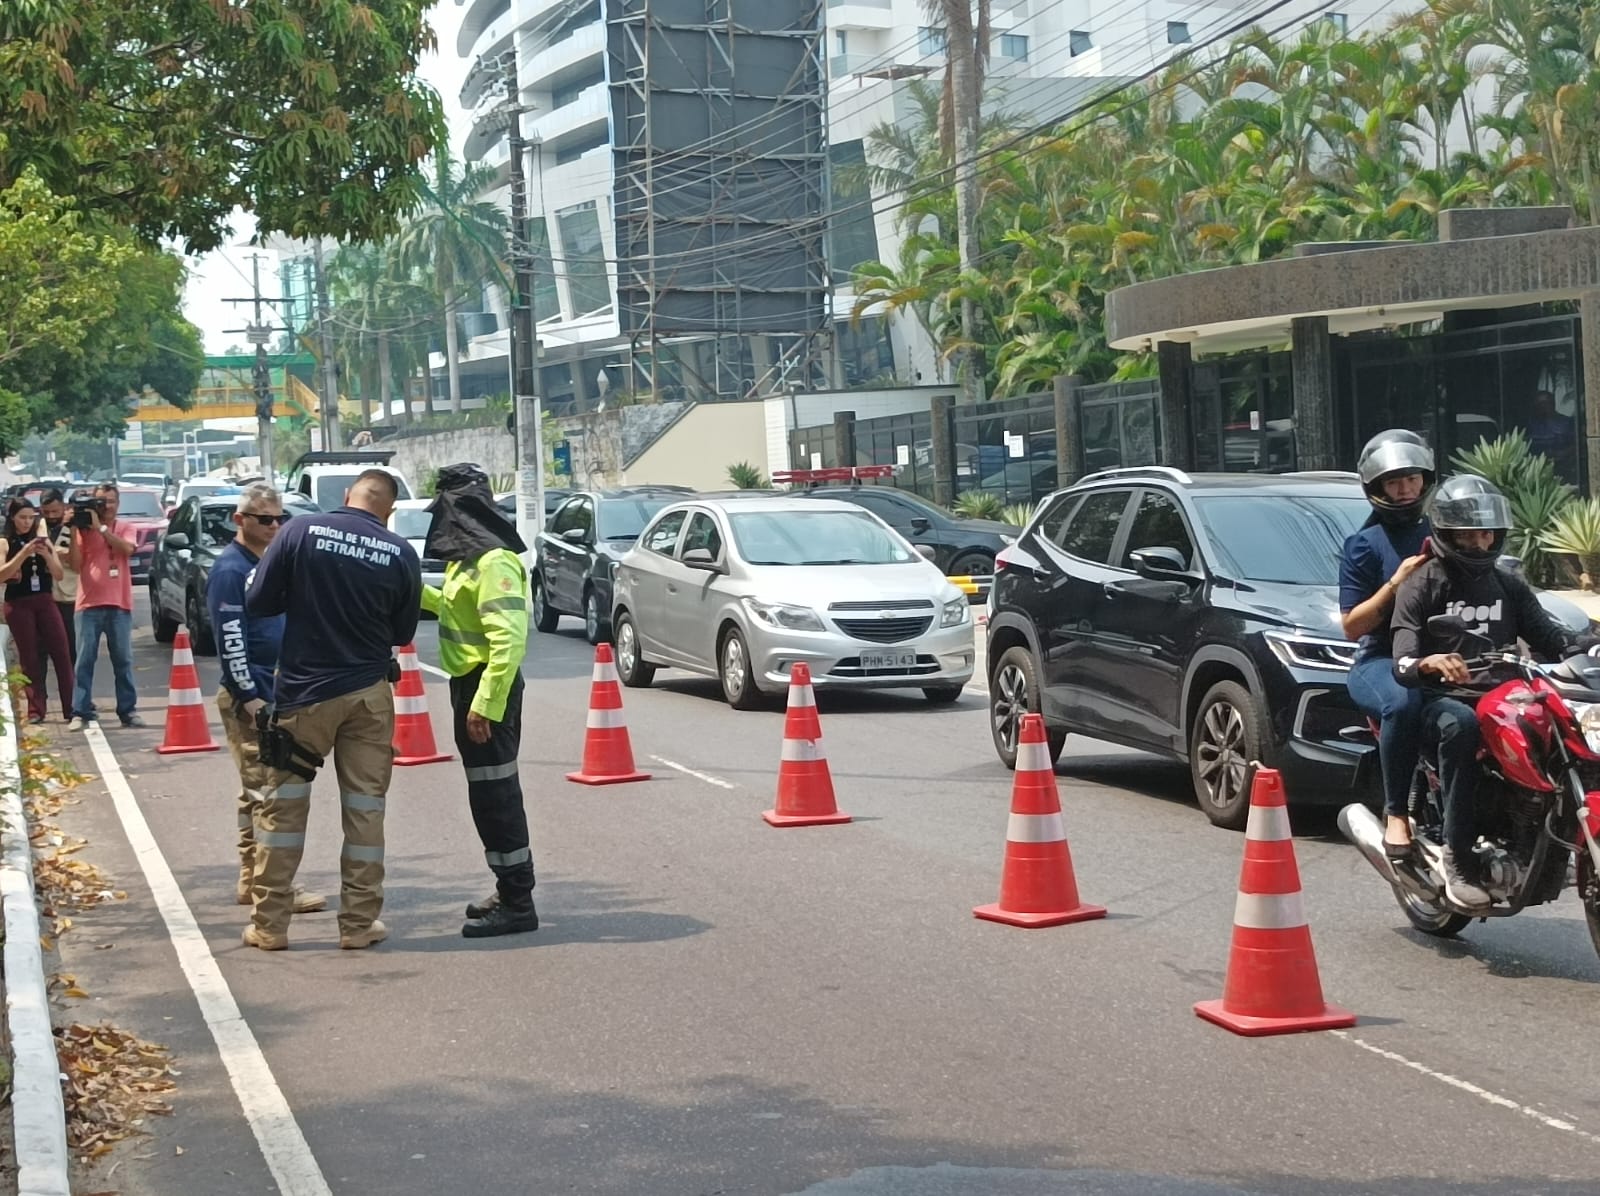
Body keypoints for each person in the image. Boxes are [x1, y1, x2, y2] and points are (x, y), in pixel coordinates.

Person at [243, 470, 420, 951]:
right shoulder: (400, 553)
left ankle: (270, 926)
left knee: (284, 808)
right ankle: (358, 926)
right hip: (368, 694)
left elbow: (257, 600)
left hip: (304, 694)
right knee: (365, 809)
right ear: (389, 510)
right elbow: (402, 634)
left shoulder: (301, 531)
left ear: (346, 497)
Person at [1390, 474, 1583, 909]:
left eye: (1489, 531)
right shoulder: (1423, 584)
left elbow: (1552, 637)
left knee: (1560, 721)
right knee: (1461, 726)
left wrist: (1585, 645)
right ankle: (1458, 857)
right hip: (1445, 700)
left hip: (1505, 694)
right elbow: (1401, 660)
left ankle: (1543, 827)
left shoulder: (1507, 583)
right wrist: (1428, 662)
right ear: (1448, 533)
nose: (1483, 539)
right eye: (1472, 532)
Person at [421, 464, 539, 939]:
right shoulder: (466, 562)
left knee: (497, 797)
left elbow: (508, 641)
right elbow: (452, 609)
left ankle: (518, 901)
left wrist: (485, 705)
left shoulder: (494, 562)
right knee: (486, 796)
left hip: (486, 690)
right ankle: (508, 887)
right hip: (468, 686)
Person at [206, 483, 325, 916]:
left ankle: (251, 878)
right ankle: (273, 889)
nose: (275, 526)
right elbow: (230, 640)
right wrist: (251, 698)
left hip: (279, 692)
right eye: (265, 519)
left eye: (280, 519)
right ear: (241, 520)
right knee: (269, 794)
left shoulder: (272, 564)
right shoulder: (230, 571)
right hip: (252, 696)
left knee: (255, 790)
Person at [1339, 430, 1435, 860]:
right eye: (1394, 482)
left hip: (1448, 654)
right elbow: (1352, 626)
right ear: (1376, 488)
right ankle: (1397, 812)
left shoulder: (1448, 532)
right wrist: (1395, 583)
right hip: (1381, 658)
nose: (1405, 489)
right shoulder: (1364, 545)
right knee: (1403, 703)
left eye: (1412, 478)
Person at [66, 483, 143, 731]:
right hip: (88, 603)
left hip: (119, 604)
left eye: (109, 501)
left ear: (117, 503)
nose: (105, 506)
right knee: (84, 660)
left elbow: (127, 549)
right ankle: (80, 710)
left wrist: (100, 528)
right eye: (100, 501)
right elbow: (76, 565)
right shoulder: (83, 530)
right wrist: (75, 529)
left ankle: (128, 711)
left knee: (123, 660)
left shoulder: (126, 528)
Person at [0, 501, 74, 724]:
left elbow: (59, 574)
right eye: (22, 517)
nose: (26, 522)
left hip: (44, 600)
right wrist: (23, 553)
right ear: (12, 518)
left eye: (30, 517)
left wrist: (46, 554)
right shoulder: (5, 542)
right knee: (29, 657)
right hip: (19, 602)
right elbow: (2, 574)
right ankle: (35, 709)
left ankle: (71, 707)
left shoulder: (42, 540)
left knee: (61, 652)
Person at [38, 490, 79, 667]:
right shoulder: (36, 527)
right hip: (42, 594)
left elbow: (76, 562)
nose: (51, 516)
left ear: (64, 507)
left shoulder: (73, 528)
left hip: (67, 596)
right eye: (47, 512)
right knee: (40, 650)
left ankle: (73, 690)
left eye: (55, 511)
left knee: (70, 648)